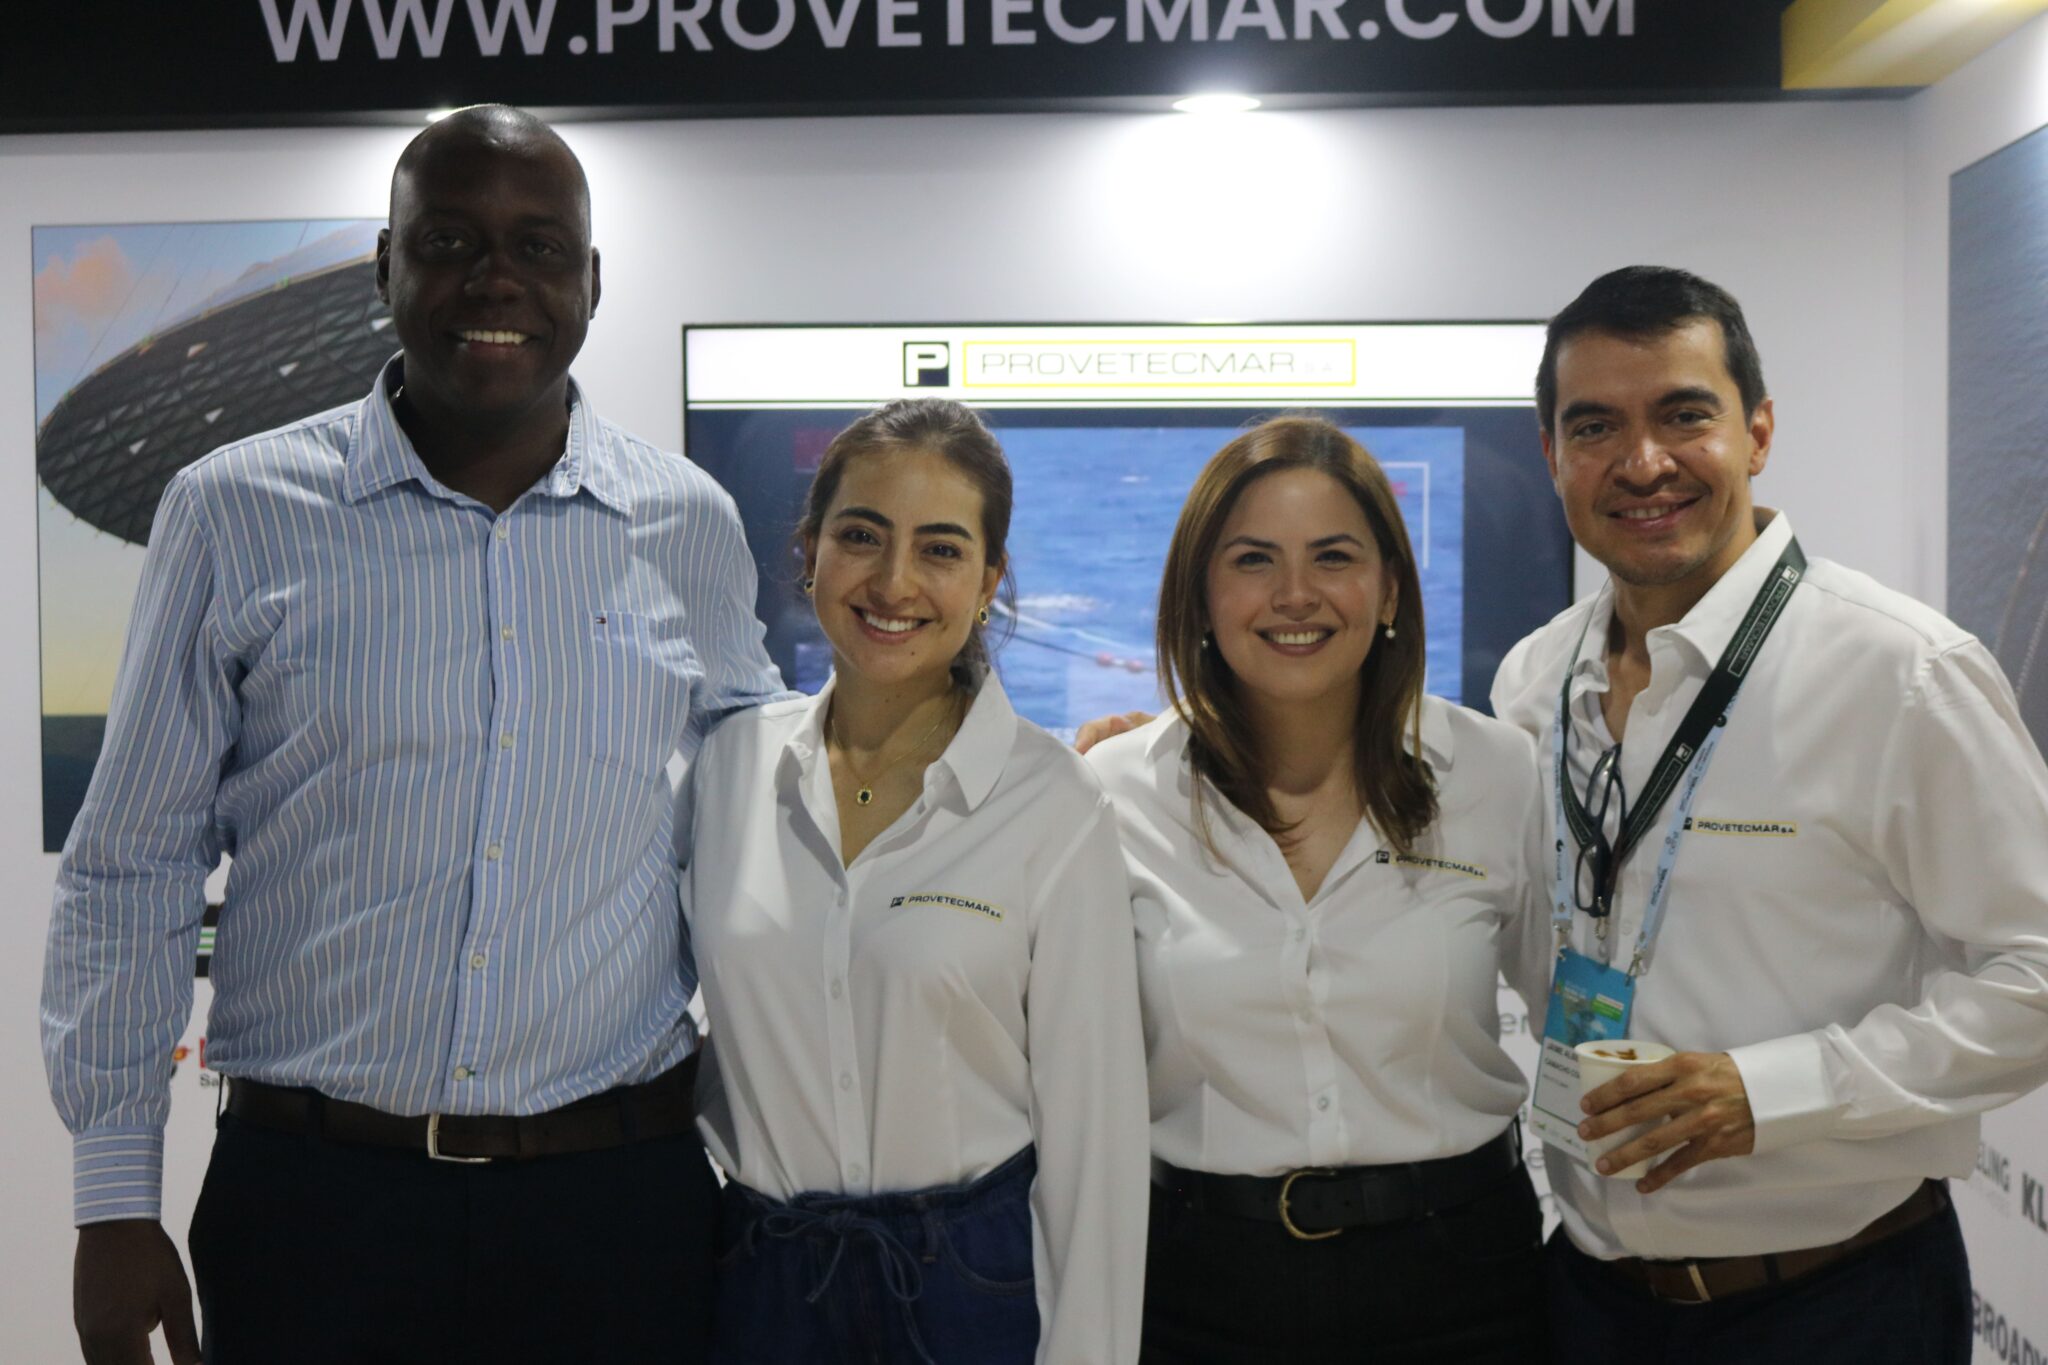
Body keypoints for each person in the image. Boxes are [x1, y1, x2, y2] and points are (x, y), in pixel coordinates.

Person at [41, 105, 786, 1365]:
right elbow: (133, 864)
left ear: (591, 282)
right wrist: (114, 1202)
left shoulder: (686, 523)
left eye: (538, 247)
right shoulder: (232, 512)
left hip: (617, 1210)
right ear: (386, 268)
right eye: (448, 241)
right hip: (315, 1211)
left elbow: (773, 790)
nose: (495, 278)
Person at [1491, 265, 2048, 1363]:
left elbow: (2036, 973)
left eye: (1681, 415)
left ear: (1757, 433)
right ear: (1551, 453)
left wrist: (1770, 1092)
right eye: (1594, 426)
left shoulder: (1901, 673)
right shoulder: (1534, 678)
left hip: (1831, 1306)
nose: (1641, 462)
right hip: (1588, 1296)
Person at [683, 399, 1149, 1365]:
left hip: (969, 1288)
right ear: (810, 550)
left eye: (940, 549)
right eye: (861, 536)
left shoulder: (1053, 803)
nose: (894, 581)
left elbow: (1094, 1139)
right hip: (765, 1279)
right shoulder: (730, 767)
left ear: (988, 581)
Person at [1082, 416, 1554, 1363]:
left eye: (1333, 556)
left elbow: (1575, 1019)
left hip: (1464, 1281)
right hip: (1197, 1289)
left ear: (1390, 588)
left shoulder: (1498, 772)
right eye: (1253, 559)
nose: (1295, 594)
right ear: (1200, 594)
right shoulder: (1115, 793)